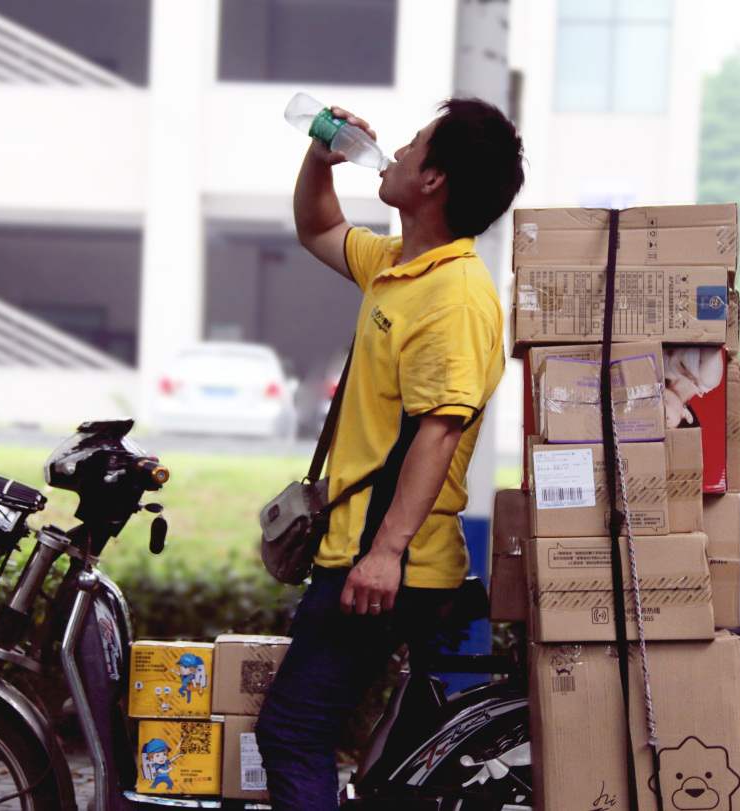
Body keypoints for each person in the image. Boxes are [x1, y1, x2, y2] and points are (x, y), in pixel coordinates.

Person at [254, 98, 525, 810]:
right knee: (374, 757)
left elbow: (438, 431)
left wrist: (386, 552)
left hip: (387, 561)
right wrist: (321, 157)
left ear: (434, 180)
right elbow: (318, 226)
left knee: (291, 729)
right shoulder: (400, 266)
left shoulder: (457, 296)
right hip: (364, 549)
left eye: (413, 145)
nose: (395, 151)